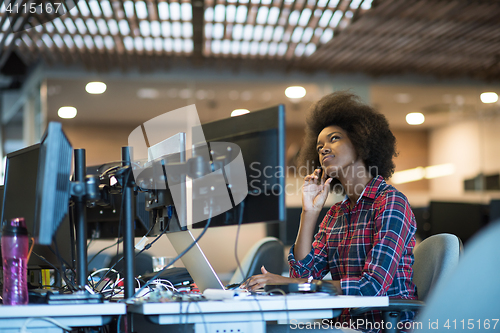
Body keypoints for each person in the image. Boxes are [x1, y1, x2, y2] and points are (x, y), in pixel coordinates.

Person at [243, 91, 417, 331]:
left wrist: (295, 283)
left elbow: (372, 287)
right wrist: (310, 212)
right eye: (319, 146)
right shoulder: (336, 213)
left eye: (334, 138)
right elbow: (303, 271)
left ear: (361, 141)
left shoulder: (390, 202)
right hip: (343, 324)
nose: (324, 149)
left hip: (382, 325)